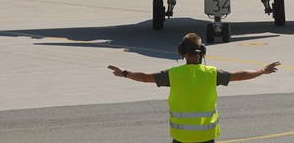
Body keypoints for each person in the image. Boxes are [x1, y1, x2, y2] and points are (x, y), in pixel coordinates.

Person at [108, 32, 280, 143]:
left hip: (182, 137)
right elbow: (240, 75)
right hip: (206, 136)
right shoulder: (212, 73)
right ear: (202, 52)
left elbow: (146, 78)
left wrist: (124, 73)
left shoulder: (173, 74)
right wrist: (262, 70)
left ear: (182, 52)